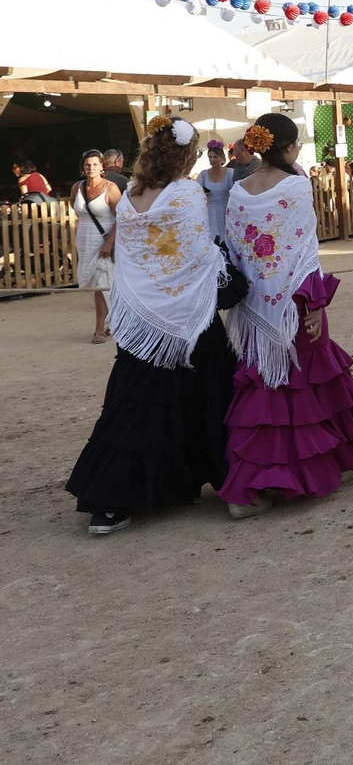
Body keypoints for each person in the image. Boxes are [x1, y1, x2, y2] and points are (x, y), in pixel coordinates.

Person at [66, 115, 245, 534]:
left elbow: (138, 253)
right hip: (188, 314)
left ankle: (113, 501)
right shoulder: (185, 192)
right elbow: (197, 253)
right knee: (210, 393)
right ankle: (233, 483)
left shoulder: (130, 196)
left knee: (137, 405)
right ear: (183, 154)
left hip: (143, 317)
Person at [219, 113, 353, 519]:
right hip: (296, 302)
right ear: (289, 147)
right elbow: (303, 250)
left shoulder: (239, 190)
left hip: (256, 304)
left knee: (266, 387)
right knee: (310, 379)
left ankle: (252, 486)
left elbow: (235, 246)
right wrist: (313, 304)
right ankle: (312, 468)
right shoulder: (296, 185)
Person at [70, 150, 120, 343]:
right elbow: (75, 207)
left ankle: (99, 329)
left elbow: (121, 216)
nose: (91, 168)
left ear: (102, 166)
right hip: (84, 240)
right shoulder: (77, 187)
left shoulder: (111, 188)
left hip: (104, 240)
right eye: (87, 165)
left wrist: (109, 241)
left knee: (101, 284)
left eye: (94, 164)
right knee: (90, 283)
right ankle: (112, 321)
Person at [196, 139, 235, 241]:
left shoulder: (230, 173)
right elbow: (196, 192)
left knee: (227, 239)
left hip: (226, 211)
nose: (212, 159)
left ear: (222, 158)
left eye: (215, 157)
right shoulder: (203, 175)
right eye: (210, 157)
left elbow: (235, 193)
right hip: (210, 212)